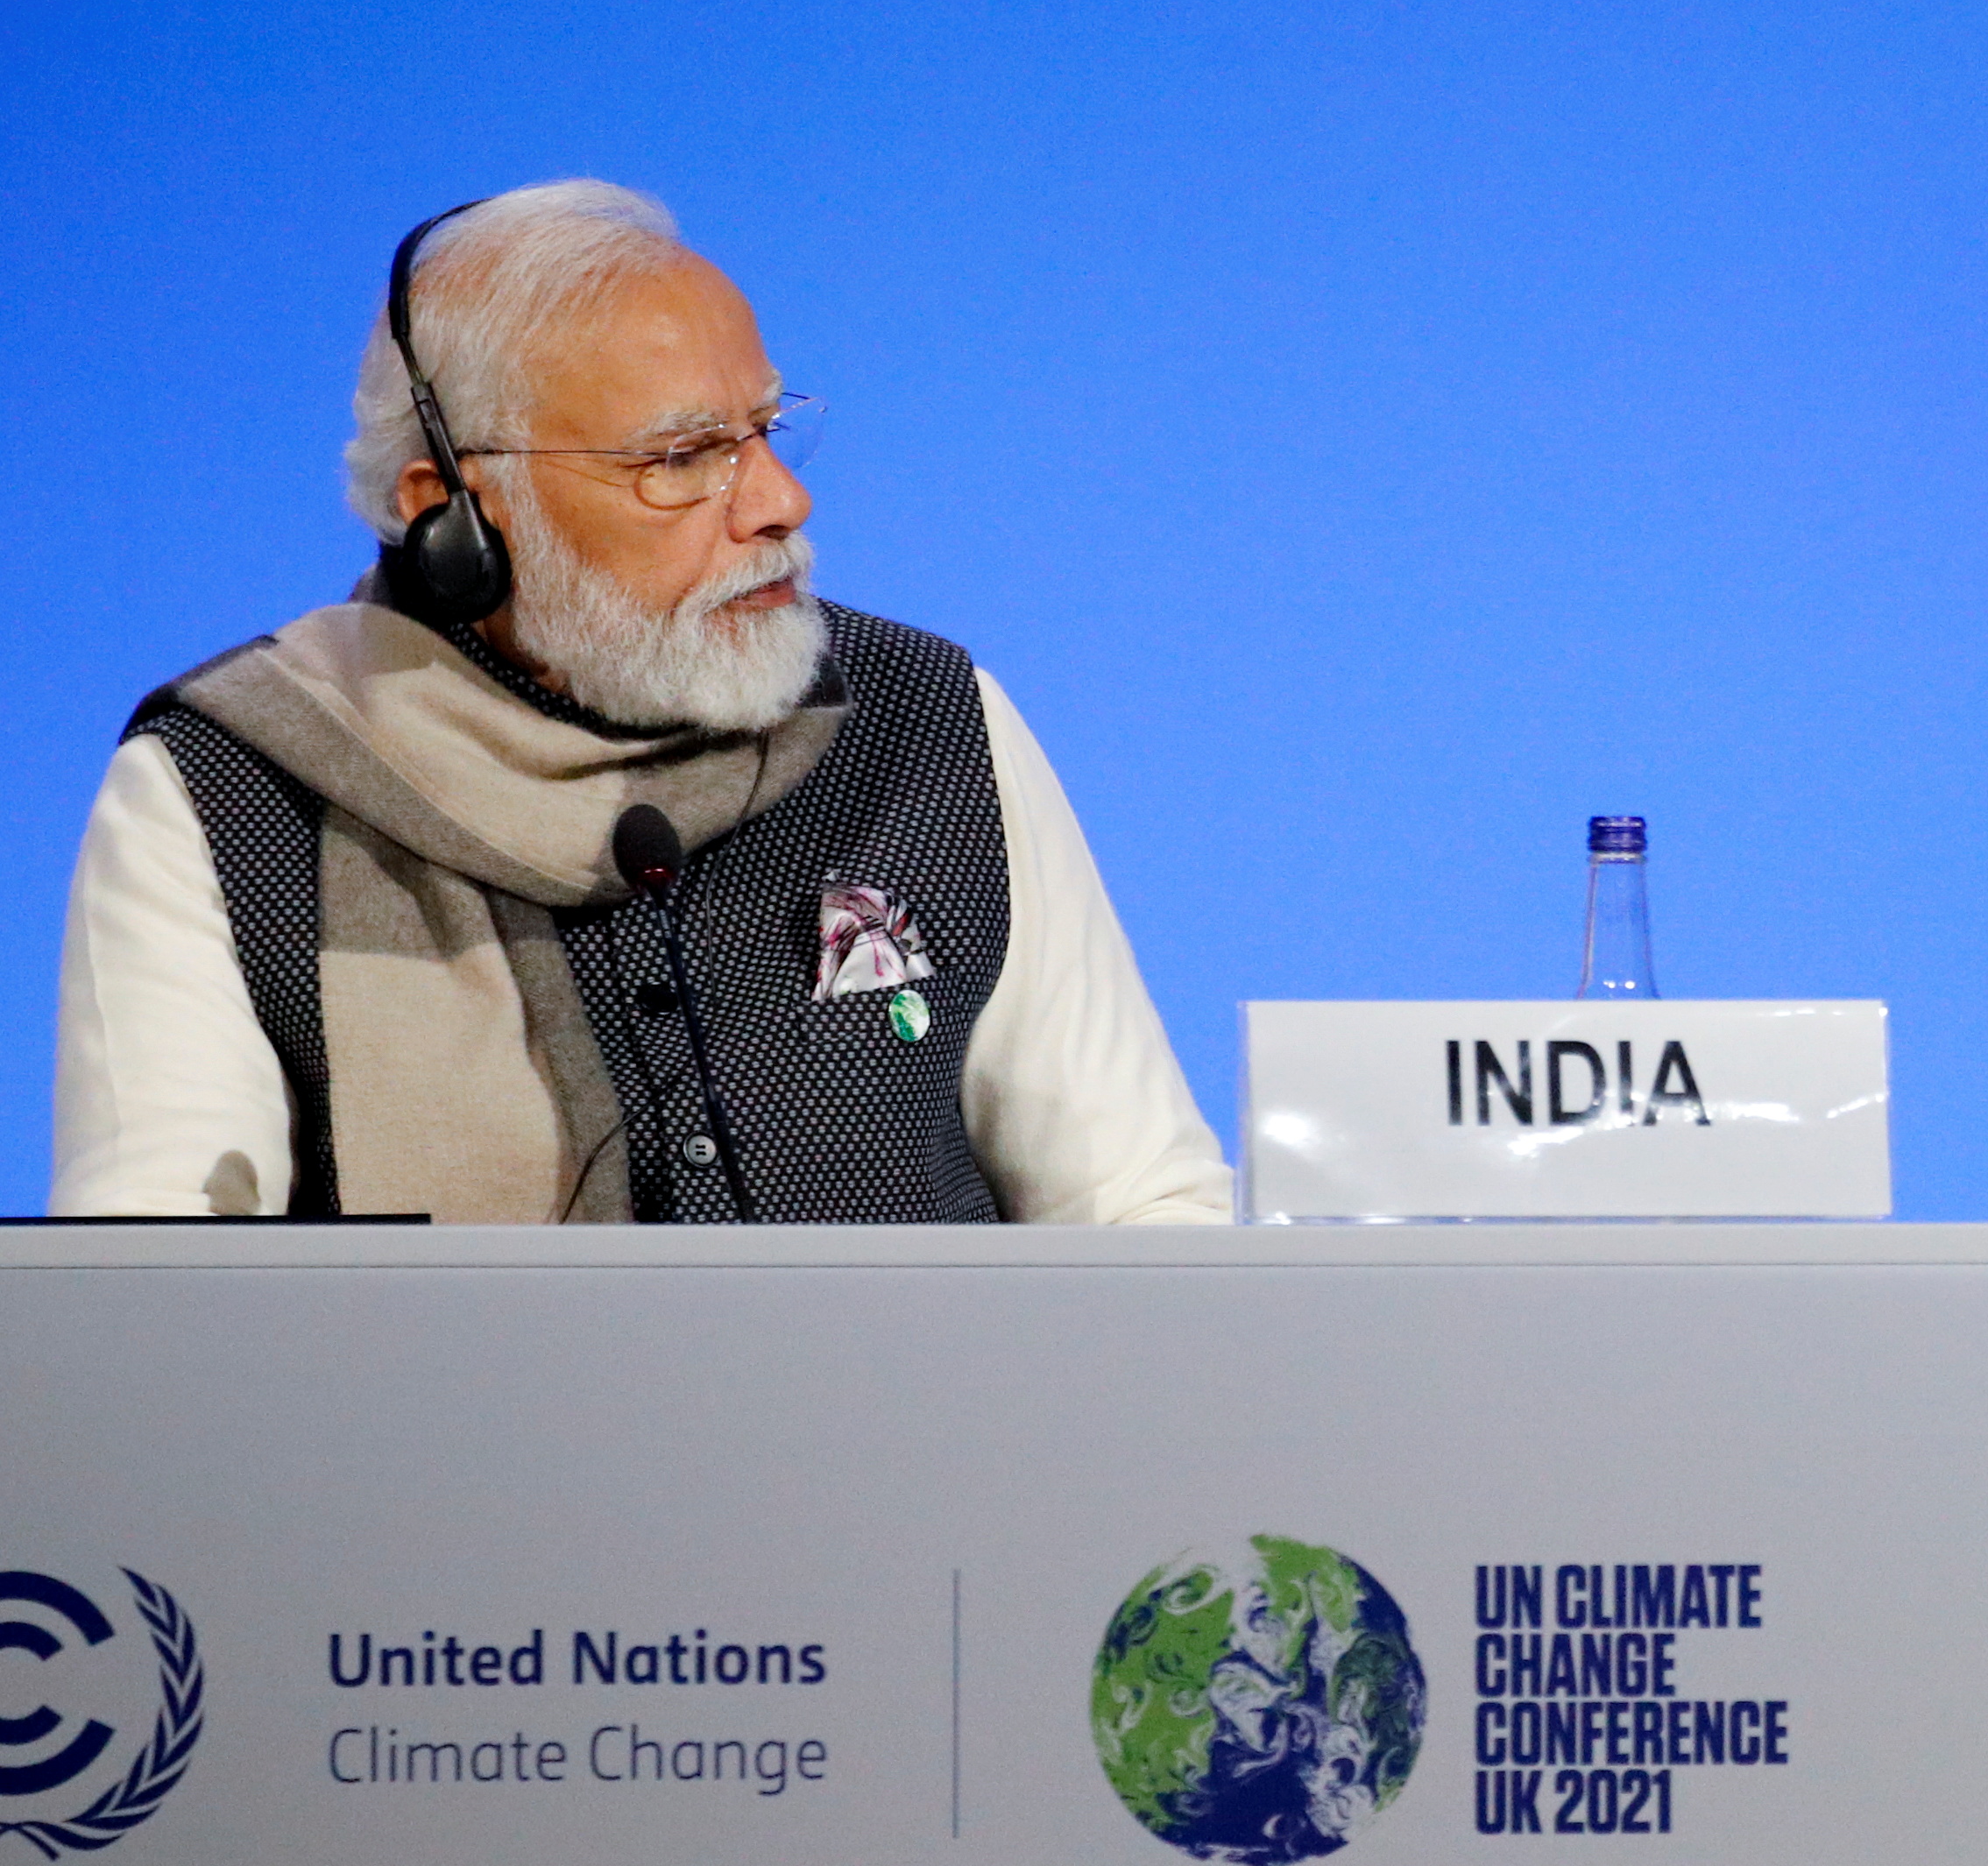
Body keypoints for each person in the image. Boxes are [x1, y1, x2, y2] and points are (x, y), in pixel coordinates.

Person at [50, 180, 1232, 1223]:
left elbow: (1136, 1206)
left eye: (766, 431)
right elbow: (156, 1311)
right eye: (680, 458)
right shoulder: (230, 788)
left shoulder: (924, 721)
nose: (776, 501)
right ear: (453, 512)